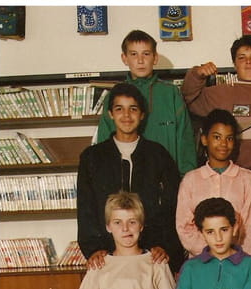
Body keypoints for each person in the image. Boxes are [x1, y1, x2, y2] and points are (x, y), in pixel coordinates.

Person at [78, 82, 183, 273]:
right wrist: (94, 249)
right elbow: (86, 208)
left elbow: (171, 206)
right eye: (119, 109)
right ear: (110, 114)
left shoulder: (157, 154)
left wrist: (163, 246)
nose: (126, 115)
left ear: (142, 114)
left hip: (151, 254)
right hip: (107, 256)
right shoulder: (92, 157)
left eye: (133, 109)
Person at [181, 36, 251, 179]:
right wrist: (197, 74)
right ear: (234, 64)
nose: (248, 62)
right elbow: (186, 99)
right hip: (230, 174)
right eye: (242, 57)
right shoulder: (219, 93)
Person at [97, 29, 196, 175]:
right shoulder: (114, 96)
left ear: (155, 58)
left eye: (146, 54)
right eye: (133, 54)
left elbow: (185, 139)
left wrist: (187, 178)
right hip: (125, 178)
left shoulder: (171, 93)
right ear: (124, 58)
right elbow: (103, 142)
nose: (140, 60)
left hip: (165, 177)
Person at [176, 109, 251, 259]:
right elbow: (184, 227)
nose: (223, 143)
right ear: (204, 139)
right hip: (201, 261)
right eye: (217, 137)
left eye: (229, 138)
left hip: (237, 262)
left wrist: (237, 259)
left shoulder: (247, 179)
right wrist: (210, 255)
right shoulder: (191, 180)